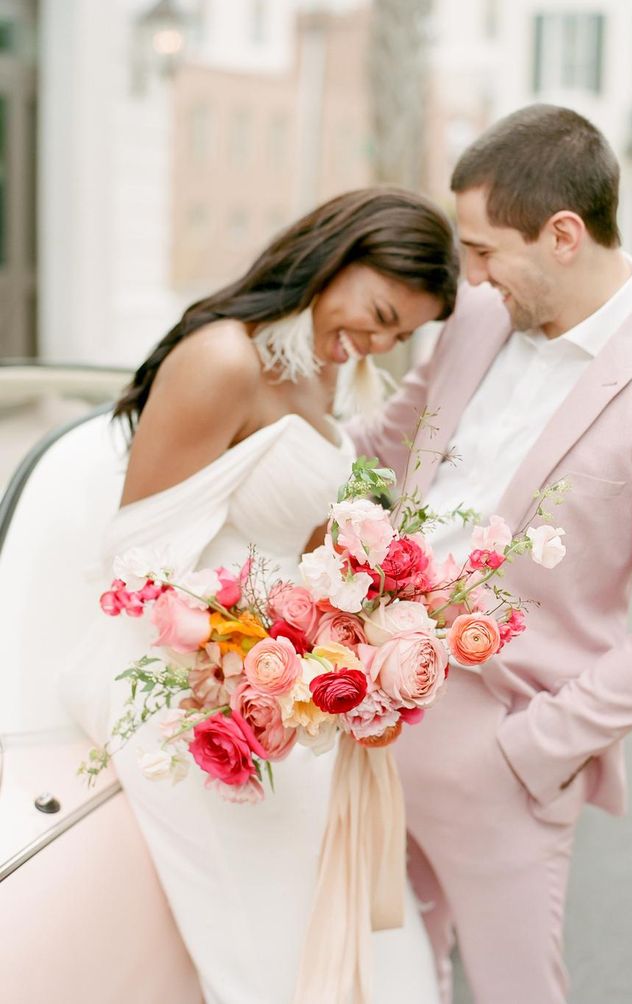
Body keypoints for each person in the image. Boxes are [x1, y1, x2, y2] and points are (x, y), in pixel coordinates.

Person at [350, 105, 632, 1003]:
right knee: (384, 975)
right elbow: (379, 450)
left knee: (517, 989)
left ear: (563, 234)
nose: (470, 275)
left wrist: (528, 751)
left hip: (503, 755)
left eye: (485, 251)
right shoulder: (480, 318)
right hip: (368, 714)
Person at [63, 187, 459, 1004]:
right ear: (336, 254)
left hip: (274, 681)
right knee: (273, 921)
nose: (379, 342)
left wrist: (364, 614)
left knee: (337, 874)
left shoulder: (329, 370)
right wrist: (239, 656)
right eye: (380, 311)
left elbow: (301, 537)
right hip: (178, 678)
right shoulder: (223, 359)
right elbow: (135, 559)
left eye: (401, 333)